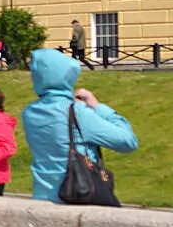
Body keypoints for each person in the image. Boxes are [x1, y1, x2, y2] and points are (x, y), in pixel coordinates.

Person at [21, 49, 138, 202]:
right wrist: (97, 106)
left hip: (42, 197)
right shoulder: (78, 112)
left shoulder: (29, 113)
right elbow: (128, 142)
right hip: (76, 194)